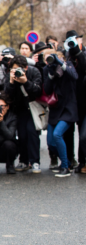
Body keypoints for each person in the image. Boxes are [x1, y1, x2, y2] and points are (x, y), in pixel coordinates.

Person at [43, 49, 78, 177]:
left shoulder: (67, 65)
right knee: (51, 142)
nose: (49, 61)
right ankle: (67, 162)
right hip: (56, 109)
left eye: (51, 58)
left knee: (57, 135)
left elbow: (74, 76)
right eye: (46, 59)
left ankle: (65, 167)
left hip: (68, 108)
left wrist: (60, 63)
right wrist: (51, 75)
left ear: (59, 57)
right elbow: (47, 90)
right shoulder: (47, 69)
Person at [4, 55, 42, 173]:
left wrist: (25, 82)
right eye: (14, 69)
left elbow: (37, 90)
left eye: (19, 69)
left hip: (33, 107)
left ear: (26, 68)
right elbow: (7, 96)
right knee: (22, 135)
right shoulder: (10, 75)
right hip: (19, 108)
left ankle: (35, 161)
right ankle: (24, 161)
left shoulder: (34, 72)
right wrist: (11, 82)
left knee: (32, 132)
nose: (17, 71)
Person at [64, 30, 86, 173]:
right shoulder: (66, 55)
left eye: (76, 39)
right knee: (70, 133)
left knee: (83, 135)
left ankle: (83, 162)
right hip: (72, 101)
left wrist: (77, 52)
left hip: (84, 100)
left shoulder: (82, 54)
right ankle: (73, 161)